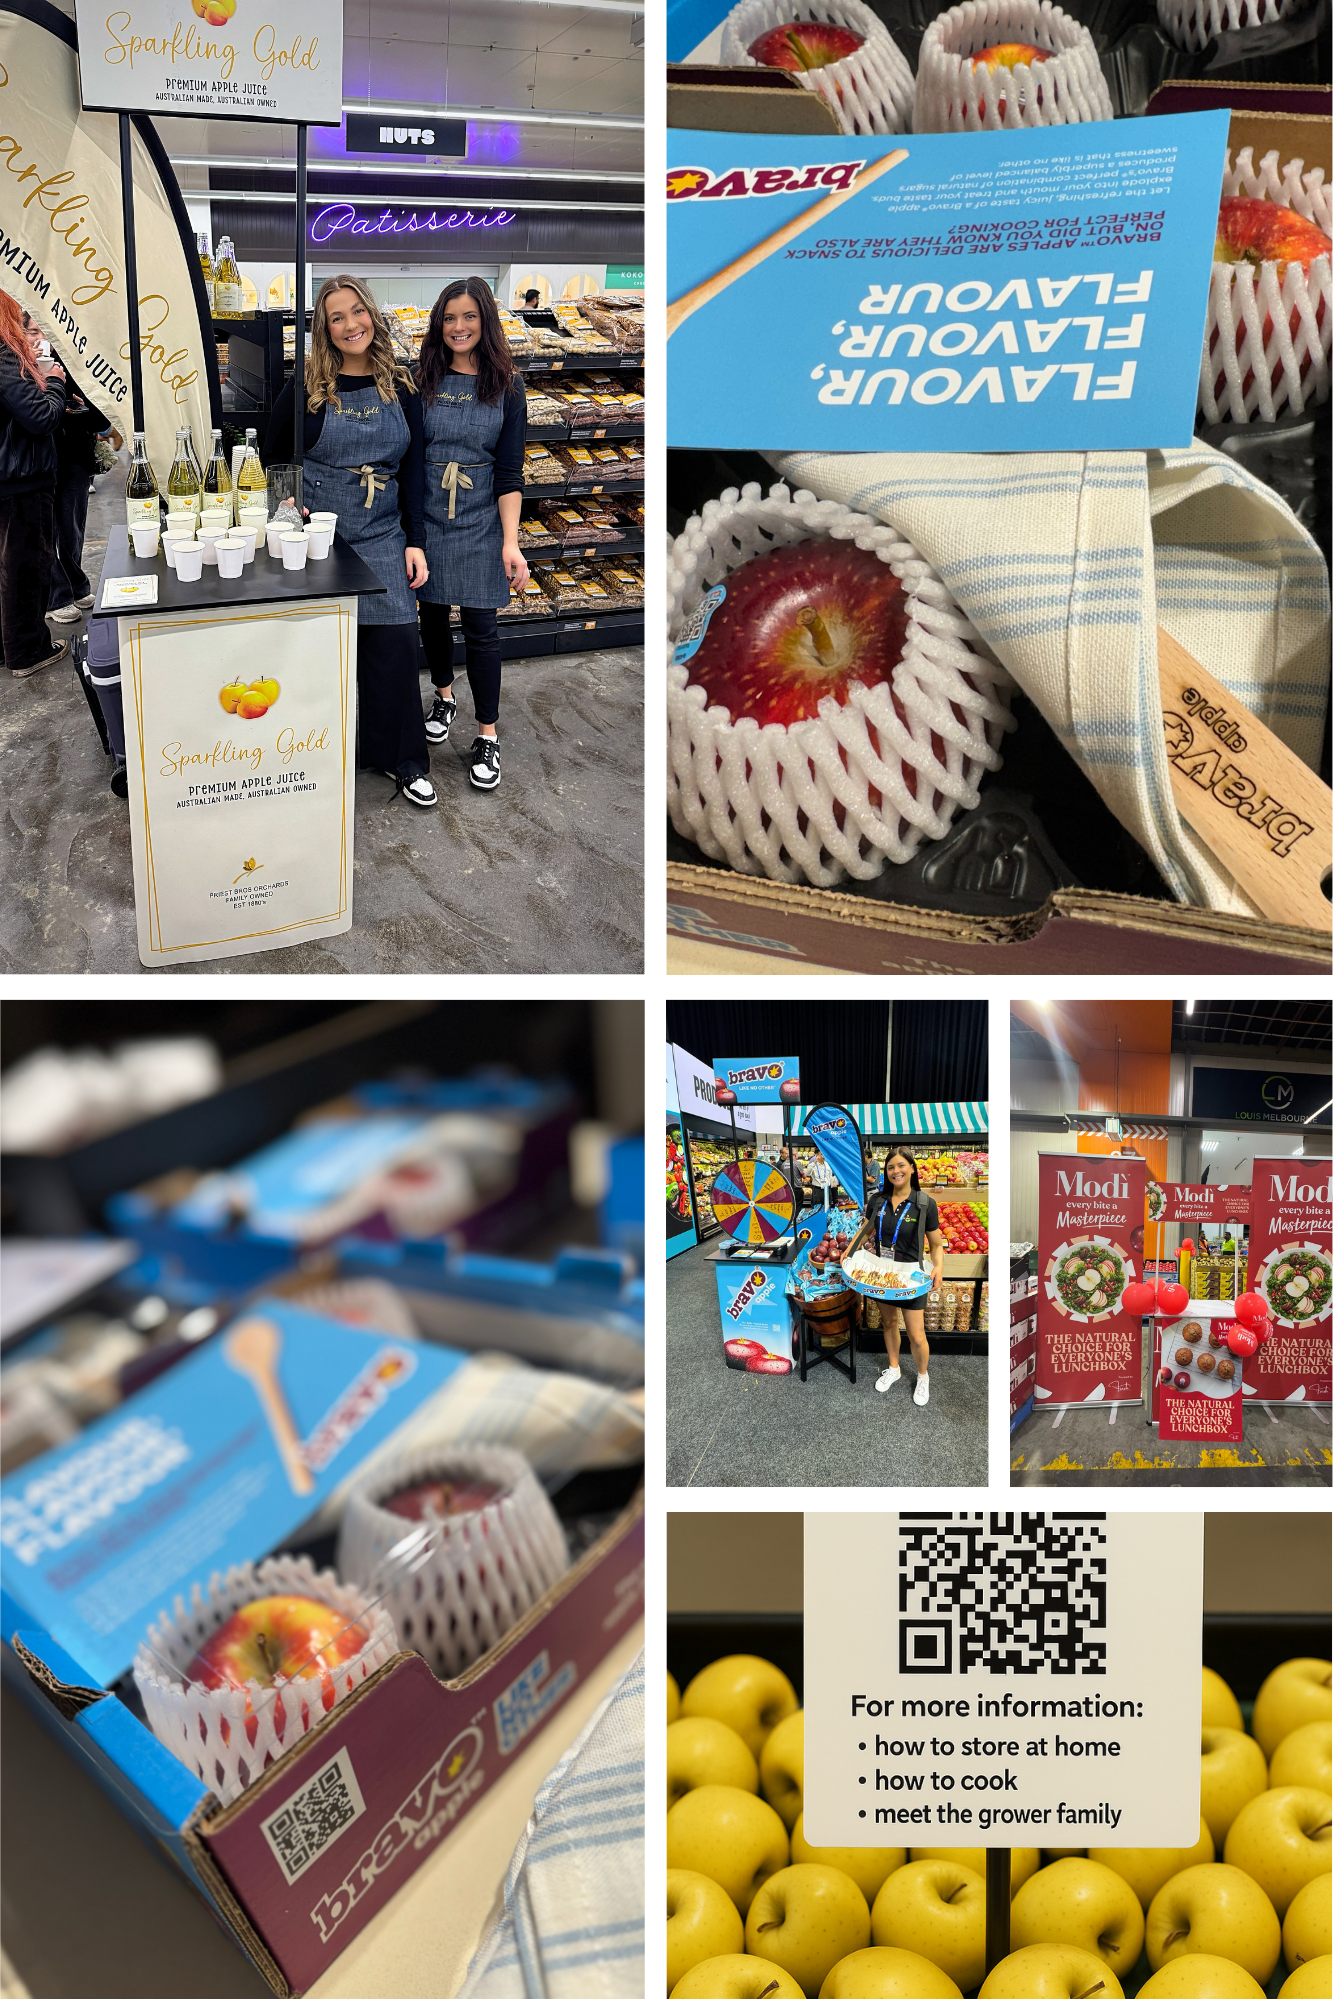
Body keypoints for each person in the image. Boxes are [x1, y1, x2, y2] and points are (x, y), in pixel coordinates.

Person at [264, 273, 435, 806]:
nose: (349, 324)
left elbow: (415, 469)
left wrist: (416, 539)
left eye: (356, 311)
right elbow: (274, 456)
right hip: (321, 538)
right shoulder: (308, 388)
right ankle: (313, 756)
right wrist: (287, 505)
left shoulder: (401, 386)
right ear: (325, 329)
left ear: (372, 316)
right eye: (336, 317)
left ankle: (400, 760)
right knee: (318, 652)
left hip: (384, 533)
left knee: (395, 649)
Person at [415, 278, 527, 792]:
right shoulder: (422, 382)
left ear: (485, 322)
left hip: (482, 521)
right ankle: (443, 695)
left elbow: (508, 473)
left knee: (482, 629)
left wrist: (511, 542)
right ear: (440, 325)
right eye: (450, 318)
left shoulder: (507, 386)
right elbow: (410, 459)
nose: (458, 328)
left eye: (469, 318)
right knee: (433, 617)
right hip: (430, 518)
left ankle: (488, 733)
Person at [0, 293, 67, 679]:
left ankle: (10, 647)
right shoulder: (6, 357)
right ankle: (28, 651)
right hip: (22, 478)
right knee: (26, 569)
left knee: (9, 569)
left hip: (9, 477)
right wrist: (55, 384)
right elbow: (39, 419)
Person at [848, 1143, 943, 1405]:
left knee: (916, 1335)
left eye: (901, 1165)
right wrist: (850, 1249)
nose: (895, 1171)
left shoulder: (925, 1204)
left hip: (912, 1277)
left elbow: (936, 1245)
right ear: (885, 1172)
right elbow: (867, 1231)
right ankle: (894, 1368)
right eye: (890, 1167)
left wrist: (938, 1267)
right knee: (888, 1324)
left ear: (912, 1168)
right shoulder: (877, 1201)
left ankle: (923, 1377)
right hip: (884, 1274)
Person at [47, 351, 107, 624]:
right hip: (40, 462)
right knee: (46, 531)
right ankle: (56, 597)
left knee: (72, 527)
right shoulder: (19, 367)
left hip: (75, 458)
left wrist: (83, 408)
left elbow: (103, 422)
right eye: (32, 331)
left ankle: (76, 584)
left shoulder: (81, 367)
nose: (40, 339)